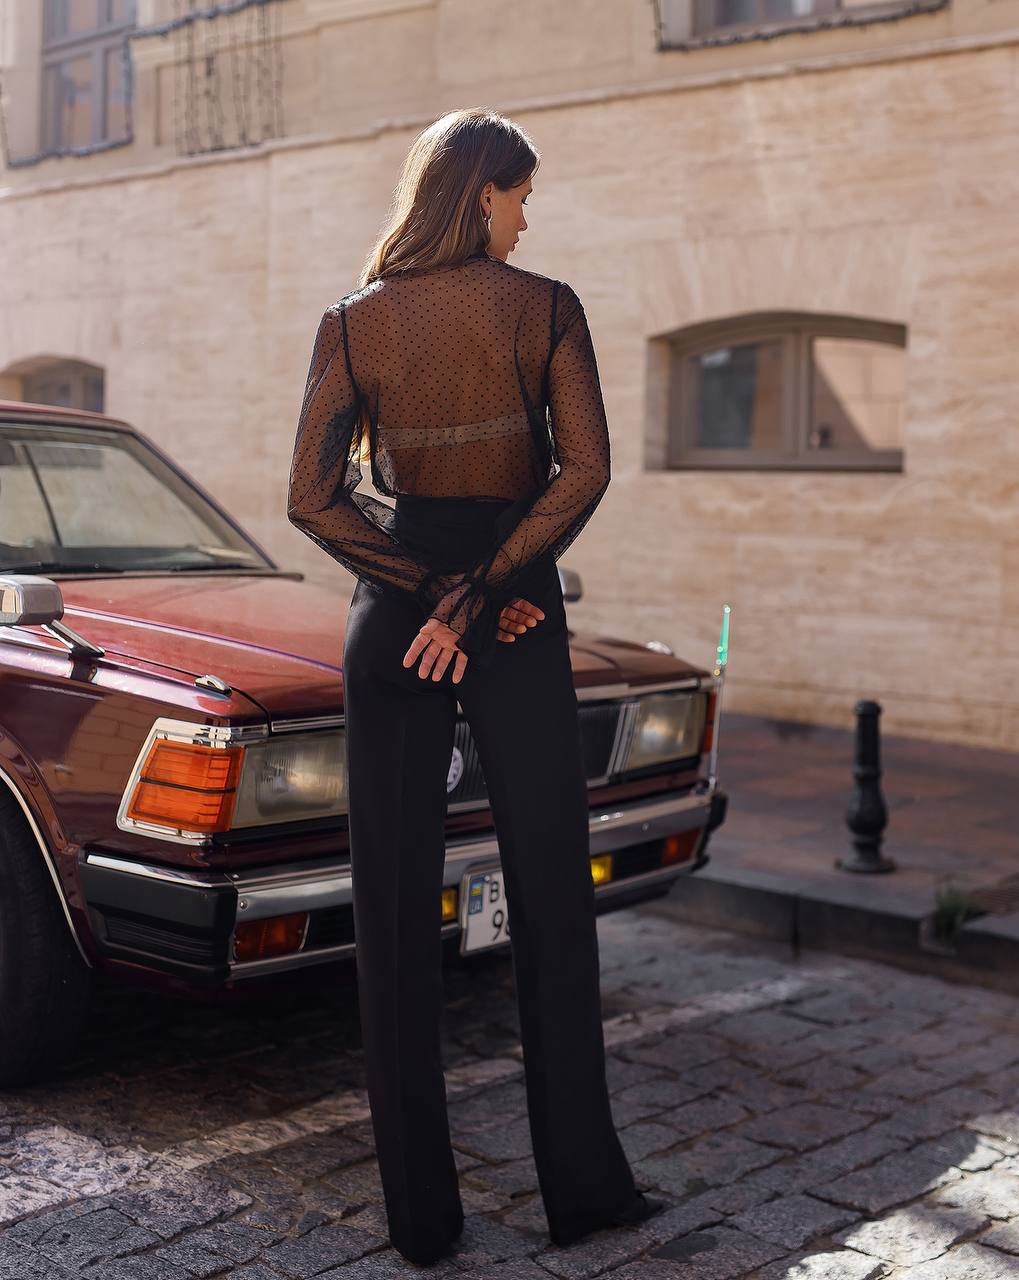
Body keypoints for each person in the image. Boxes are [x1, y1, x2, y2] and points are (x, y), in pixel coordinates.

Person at [286, 106, 665, 1267]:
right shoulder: (545, 306)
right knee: (553, 893)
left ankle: (421, 1222)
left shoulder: (354, 322)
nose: (526, 213)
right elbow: (584, 468)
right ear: (479, 193)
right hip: (511, 602)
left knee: (392, 921)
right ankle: (585, 1191)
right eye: (517, 194)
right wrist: (487, 589)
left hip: (398, 614)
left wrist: (430, 595)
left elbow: (312, 499)